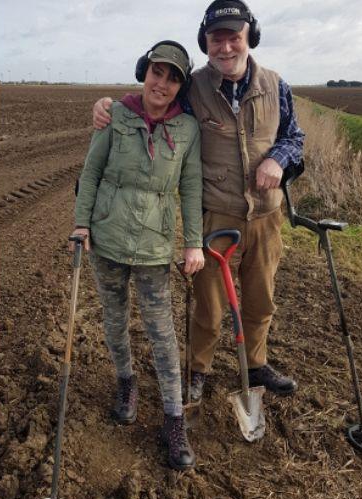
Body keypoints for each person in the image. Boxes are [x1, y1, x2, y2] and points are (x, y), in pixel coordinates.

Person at [92, 1, 305, 406]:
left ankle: (256, 363)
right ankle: (197, 370)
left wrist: (279, 158)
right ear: (205, 44)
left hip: (265, 214)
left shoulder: (276, 86)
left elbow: (295, 137)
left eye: (234, 37)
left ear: (250, 38)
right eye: (216, 39)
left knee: (261, 299)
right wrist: (110, 106)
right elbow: (155, 104)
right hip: (216, 216)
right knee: (208, 306)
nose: (225, 47)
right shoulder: (194, 88)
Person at [73, 40, 205, 470]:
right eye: (156, 72)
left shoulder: (187, 129)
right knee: (114, 320)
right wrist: (81, 224)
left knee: (161, 333)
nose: (161, 83)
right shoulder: (115, 114)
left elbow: (191, 188)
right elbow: (91, 171)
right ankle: (126, 385)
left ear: (180, 85)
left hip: (153, 246)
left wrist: (193, 243)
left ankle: (173, 419)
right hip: (107, 238)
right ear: (144, 71)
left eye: (172, 77)